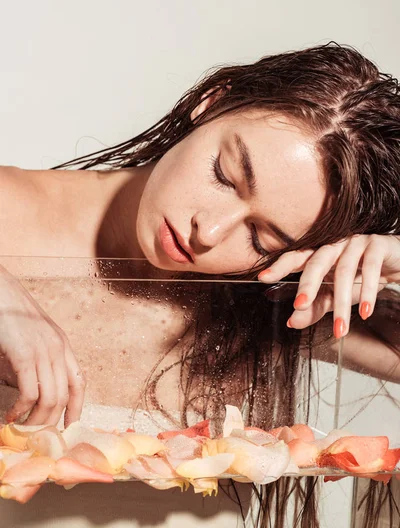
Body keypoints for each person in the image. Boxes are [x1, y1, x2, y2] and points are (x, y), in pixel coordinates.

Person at [0, 42, 399, 528]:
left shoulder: (265, 299)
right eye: (225, 176)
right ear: (210, 102)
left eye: (261, 235)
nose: (208, 233)